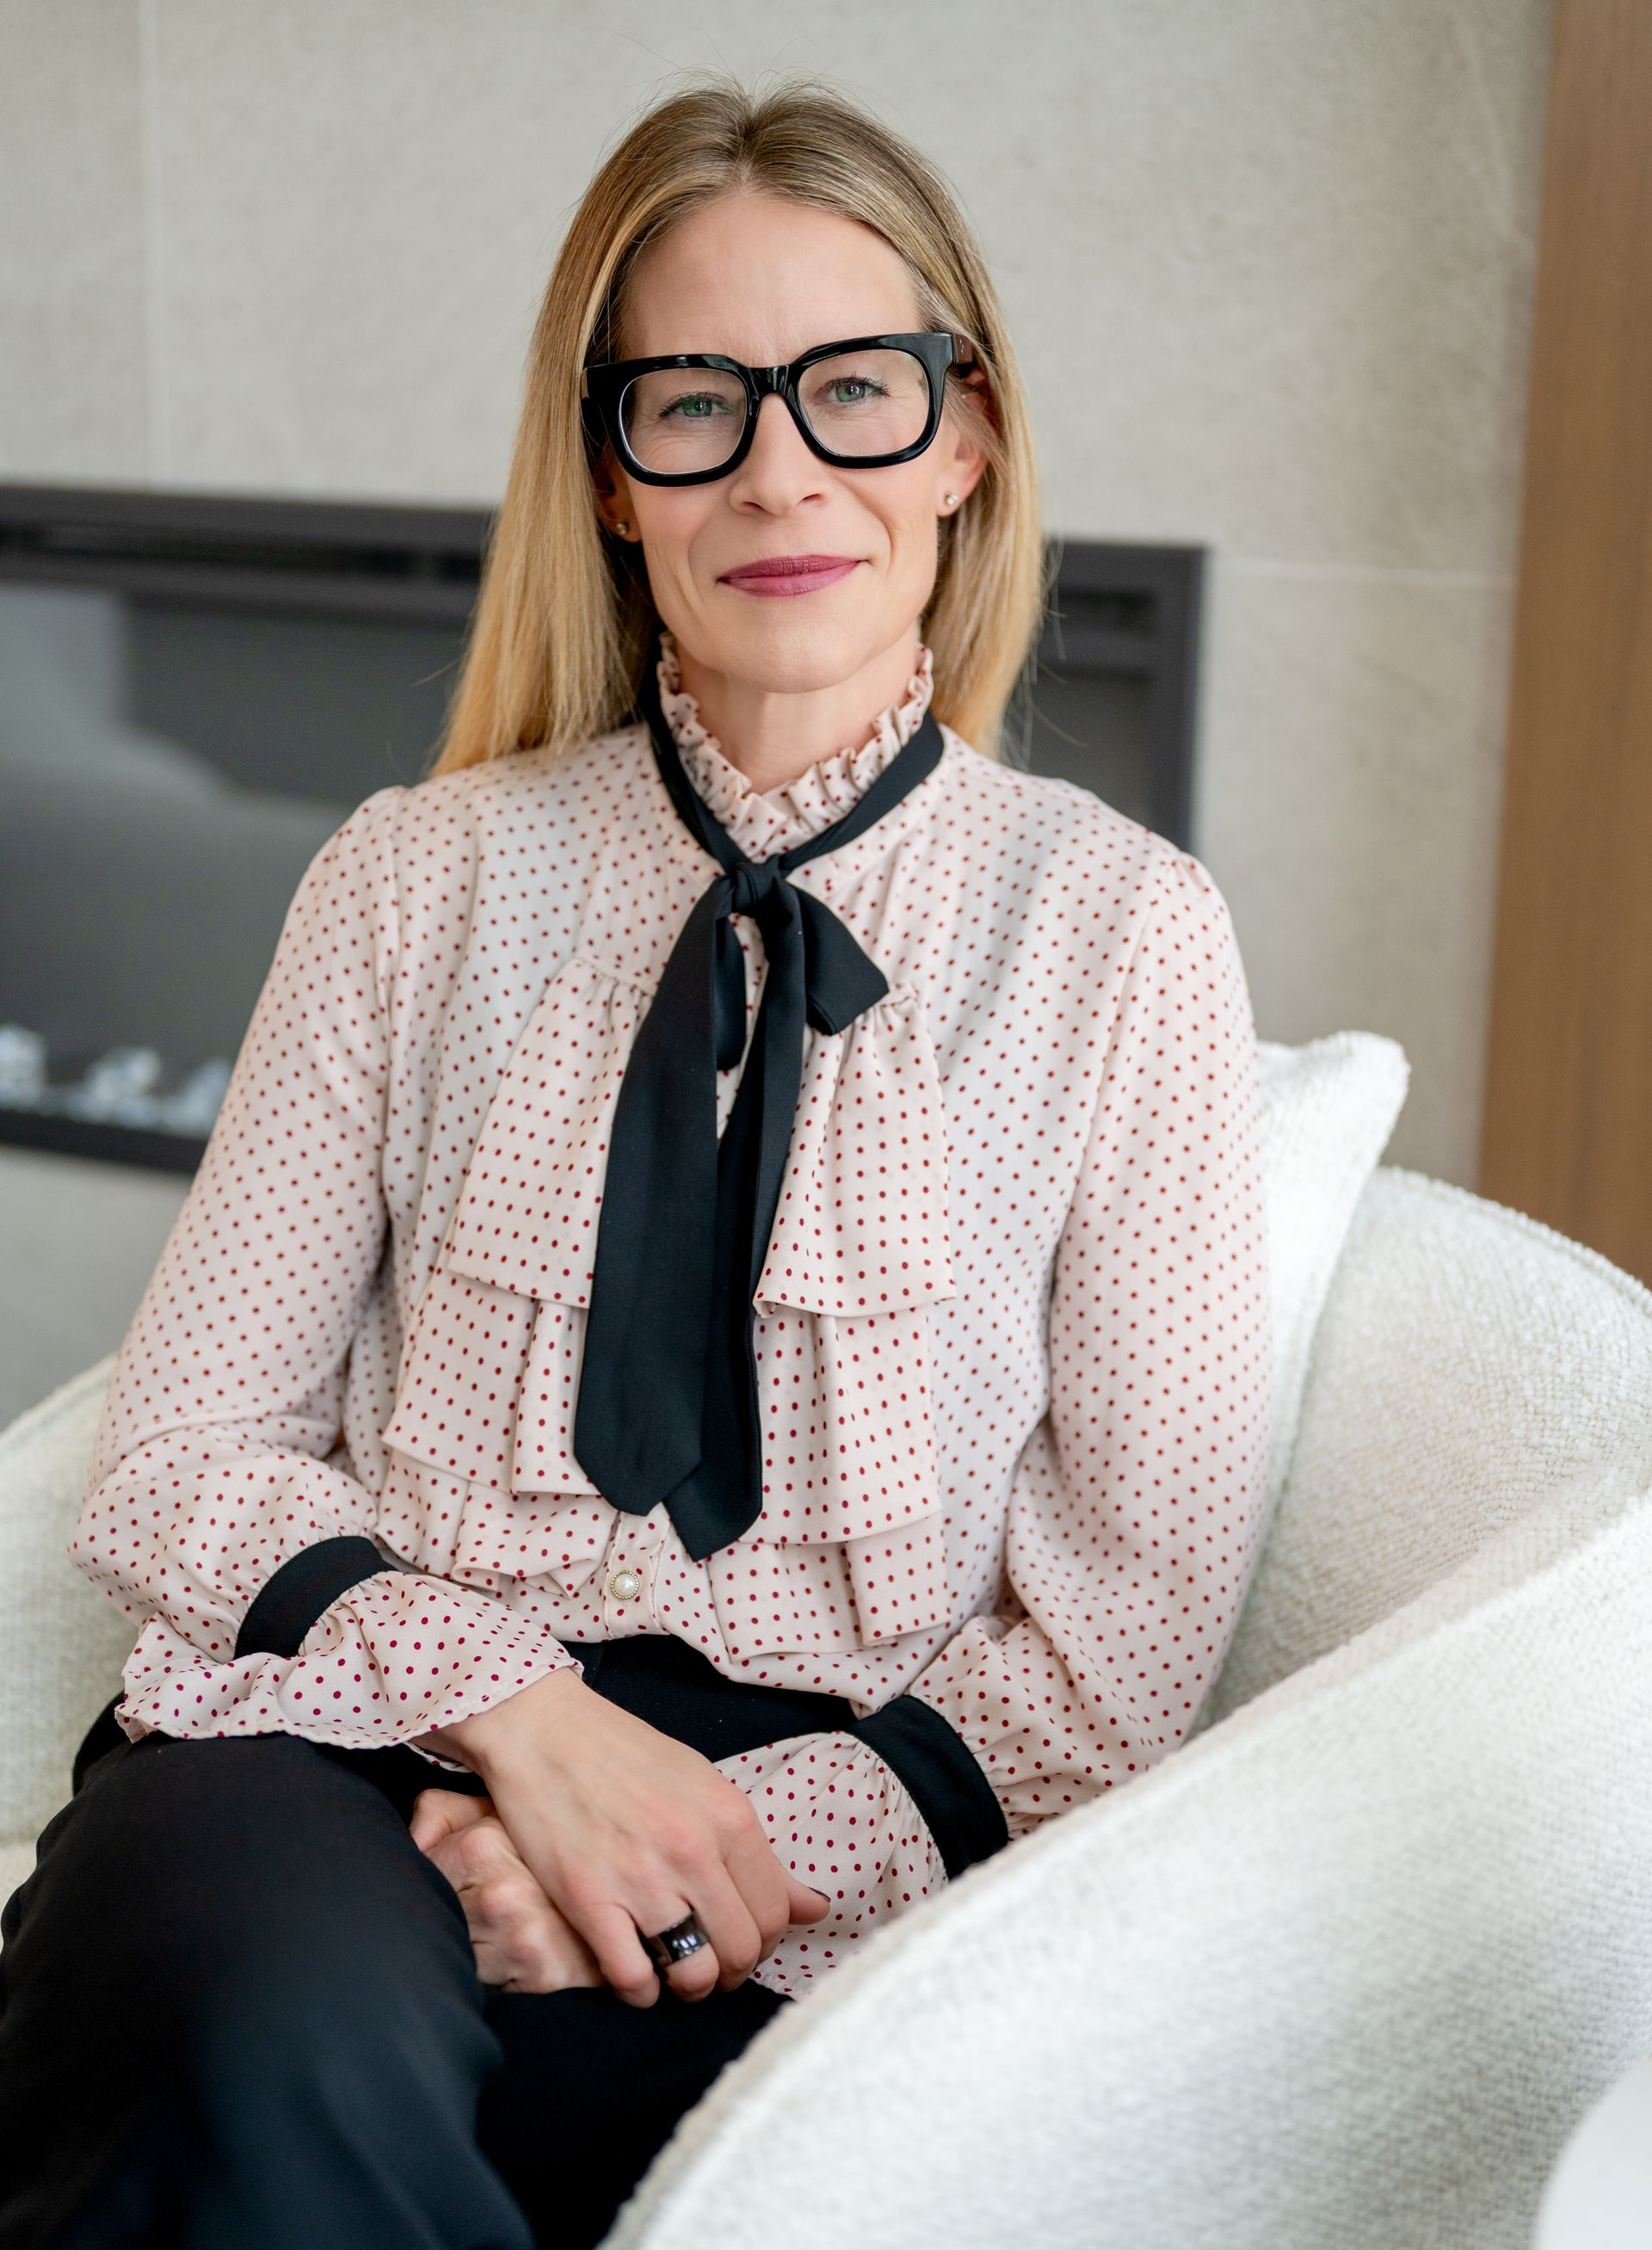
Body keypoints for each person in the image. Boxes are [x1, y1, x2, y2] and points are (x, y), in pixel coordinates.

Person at [0, 71, 1274, 2250]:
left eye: (855, 390)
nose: (781, 467)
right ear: (610, 475)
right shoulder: (419, 878)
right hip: (346, 1740)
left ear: (968, 438)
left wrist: (676, 1835)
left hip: (827, 1825)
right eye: (695, 401)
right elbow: (183, 1452)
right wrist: (523, 1731)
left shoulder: (1125, 937)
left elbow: (1116, 1646)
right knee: (235, 2005)